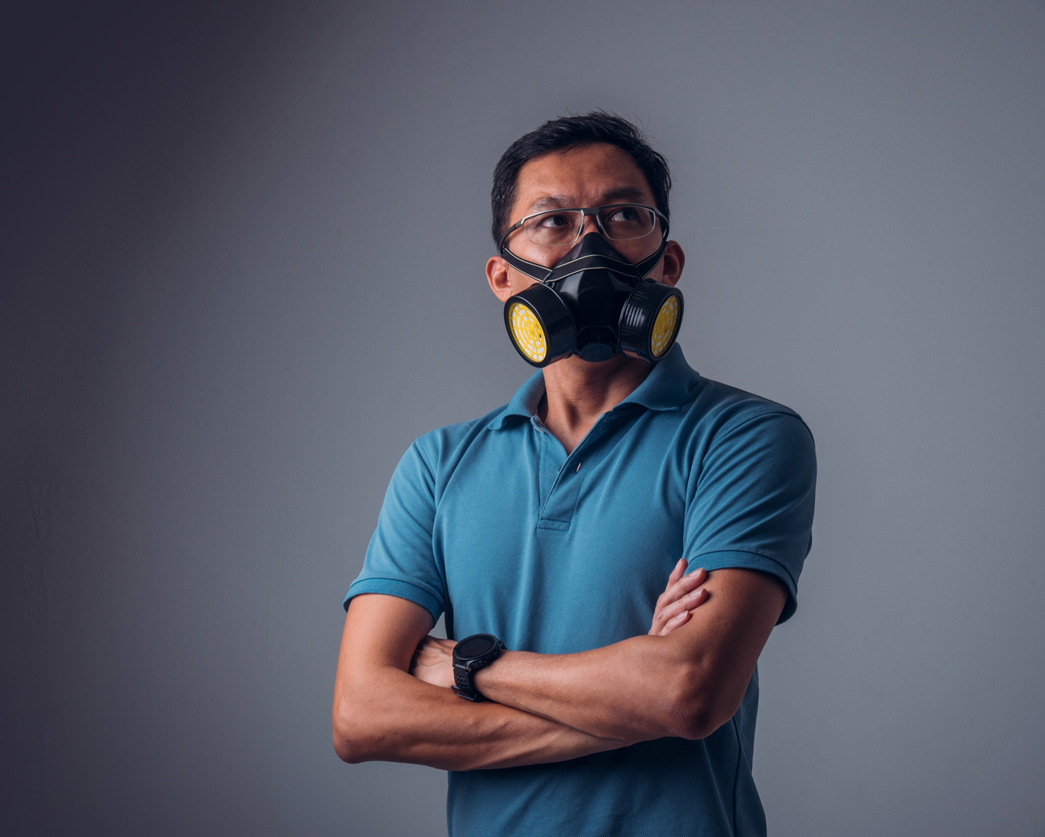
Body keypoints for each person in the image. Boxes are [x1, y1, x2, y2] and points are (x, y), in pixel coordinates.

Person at [332, 111, 817, 837]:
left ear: (669, 260)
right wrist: (624, 708)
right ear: (503, 277)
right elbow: (361, 714)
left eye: (624, 214)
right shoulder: (439, 465)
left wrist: (469, 666)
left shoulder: (743, 437)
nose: (591, 243)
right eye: (551, 221)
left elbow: (687, 688)